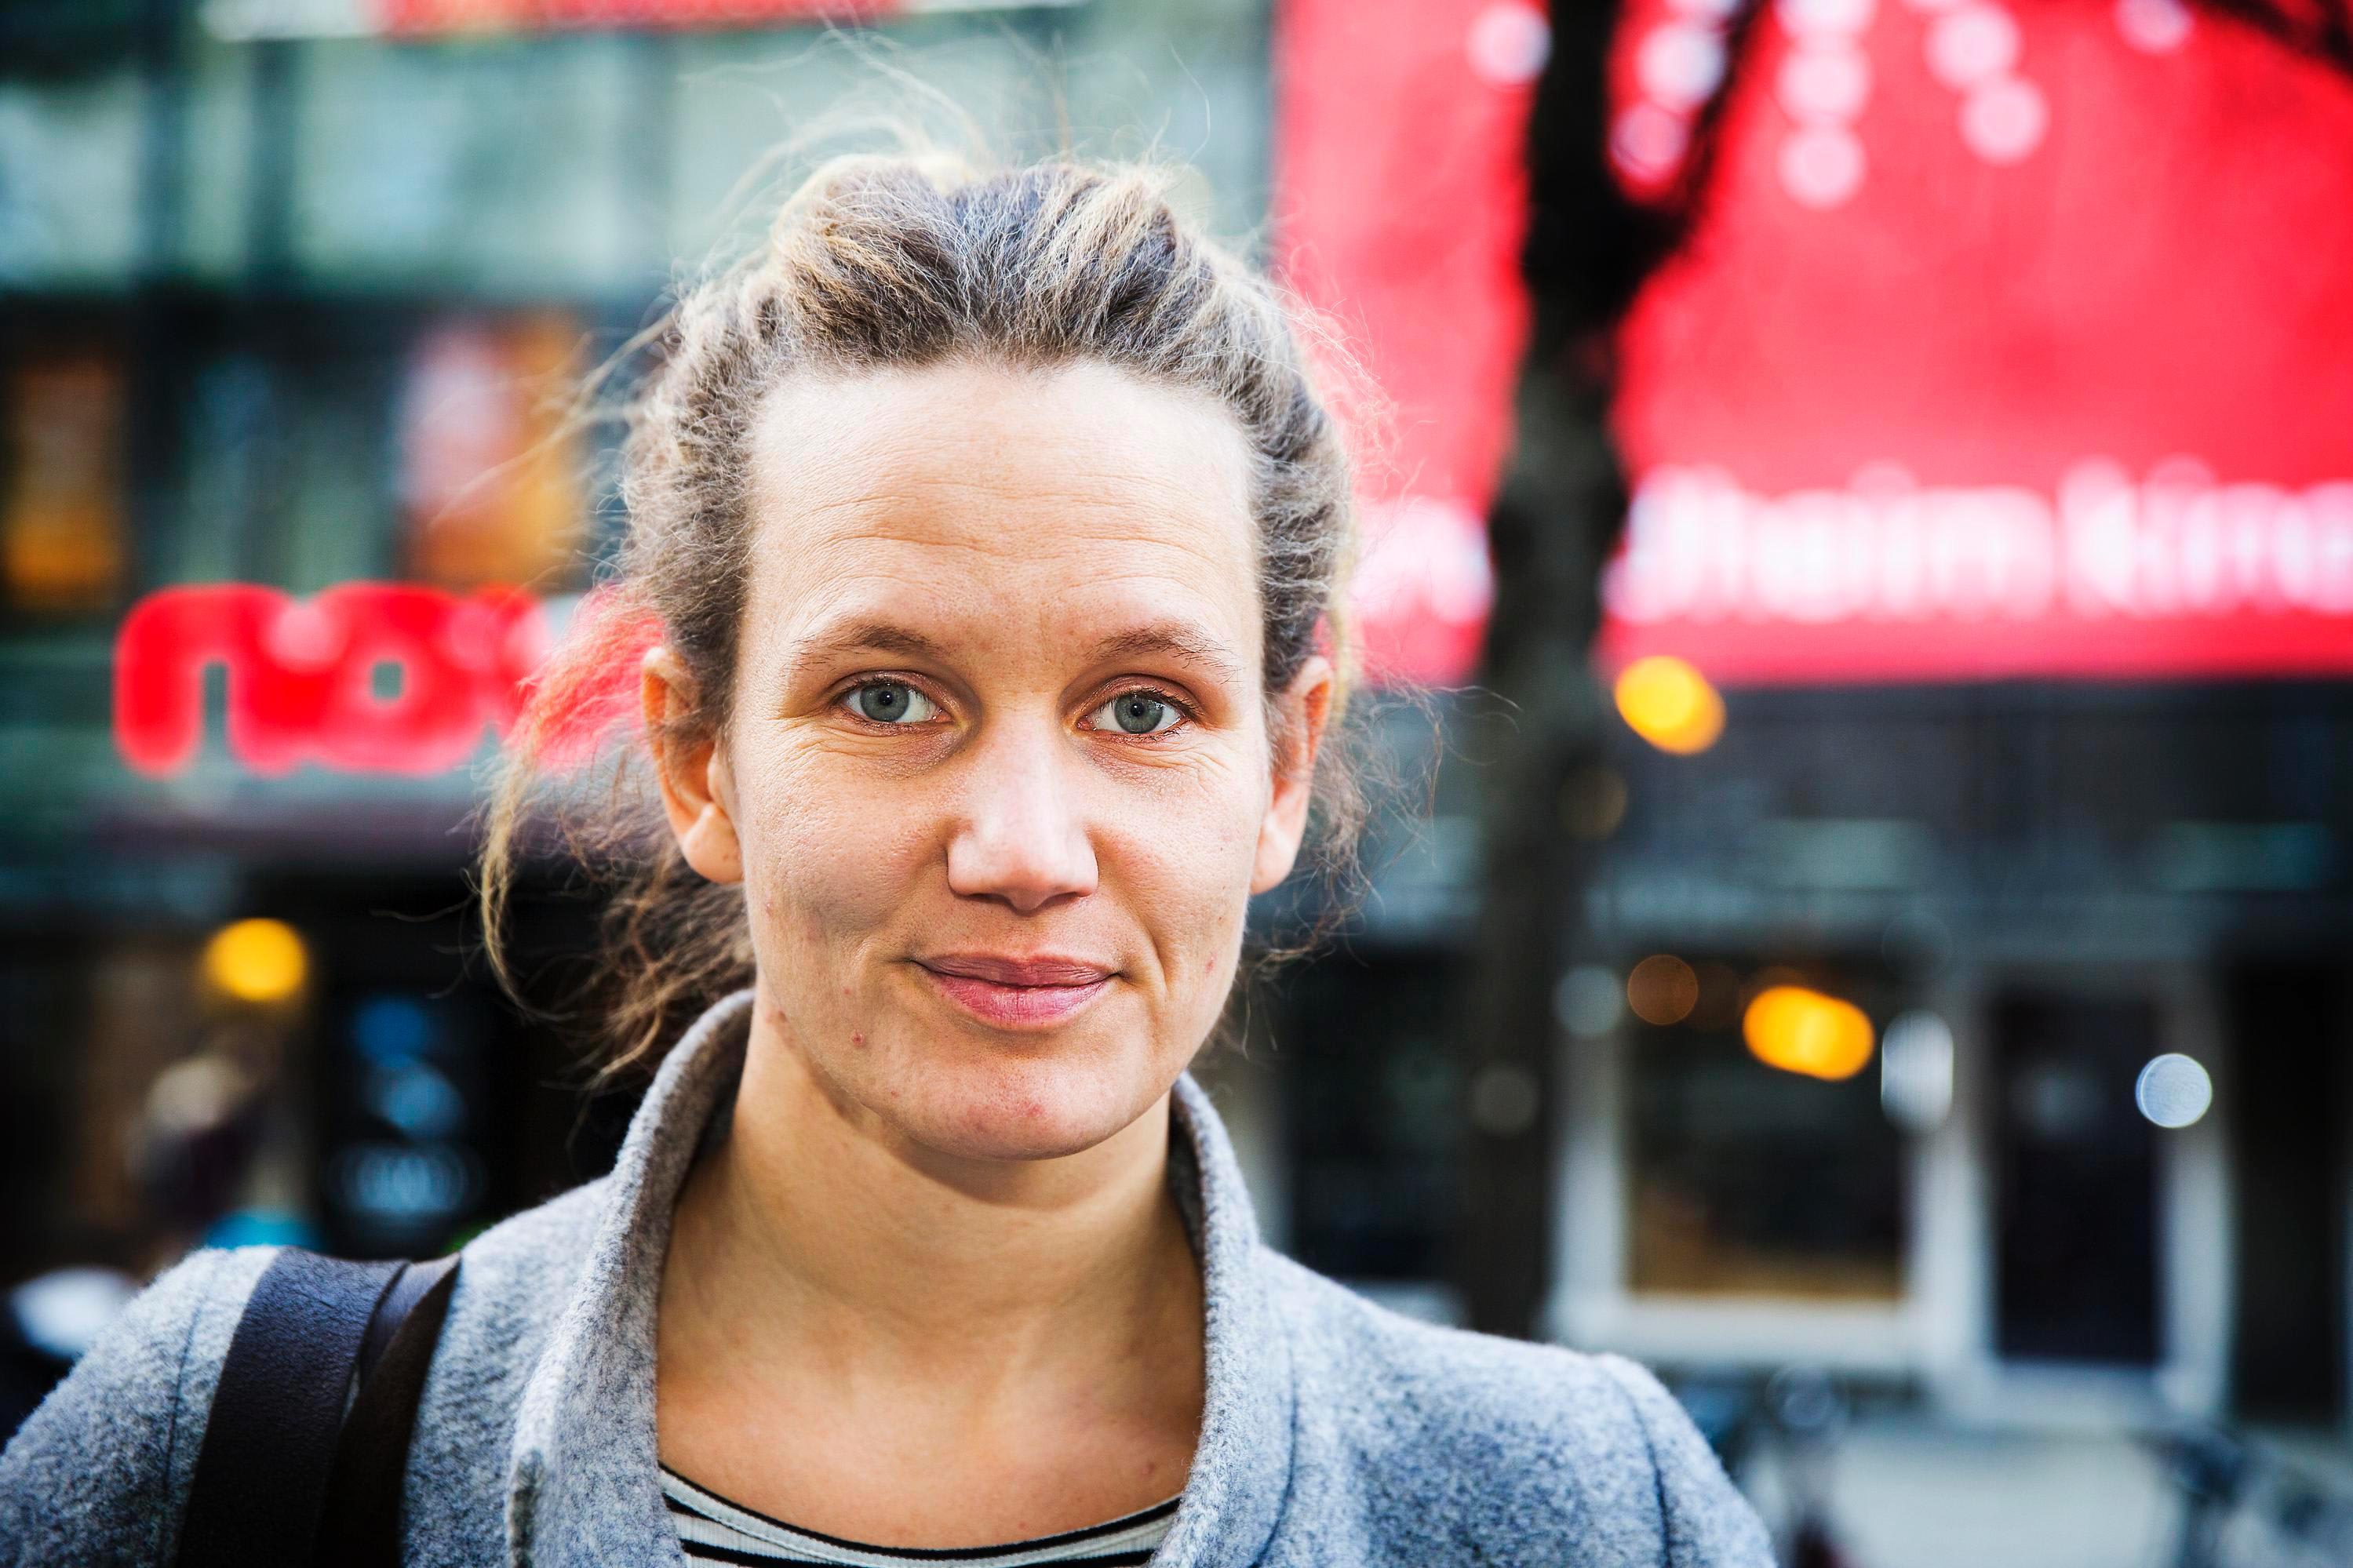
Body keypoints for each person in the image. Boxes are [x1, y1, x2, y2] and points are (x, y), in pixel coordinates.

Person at [0, 148, 1771, 1566]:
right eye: (889, 696)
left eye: (1143, 708)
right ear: (696, 757)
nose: (1023, 848)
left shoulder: (1587, 1512)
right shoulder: (224, 1443)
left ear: (1285, 768)